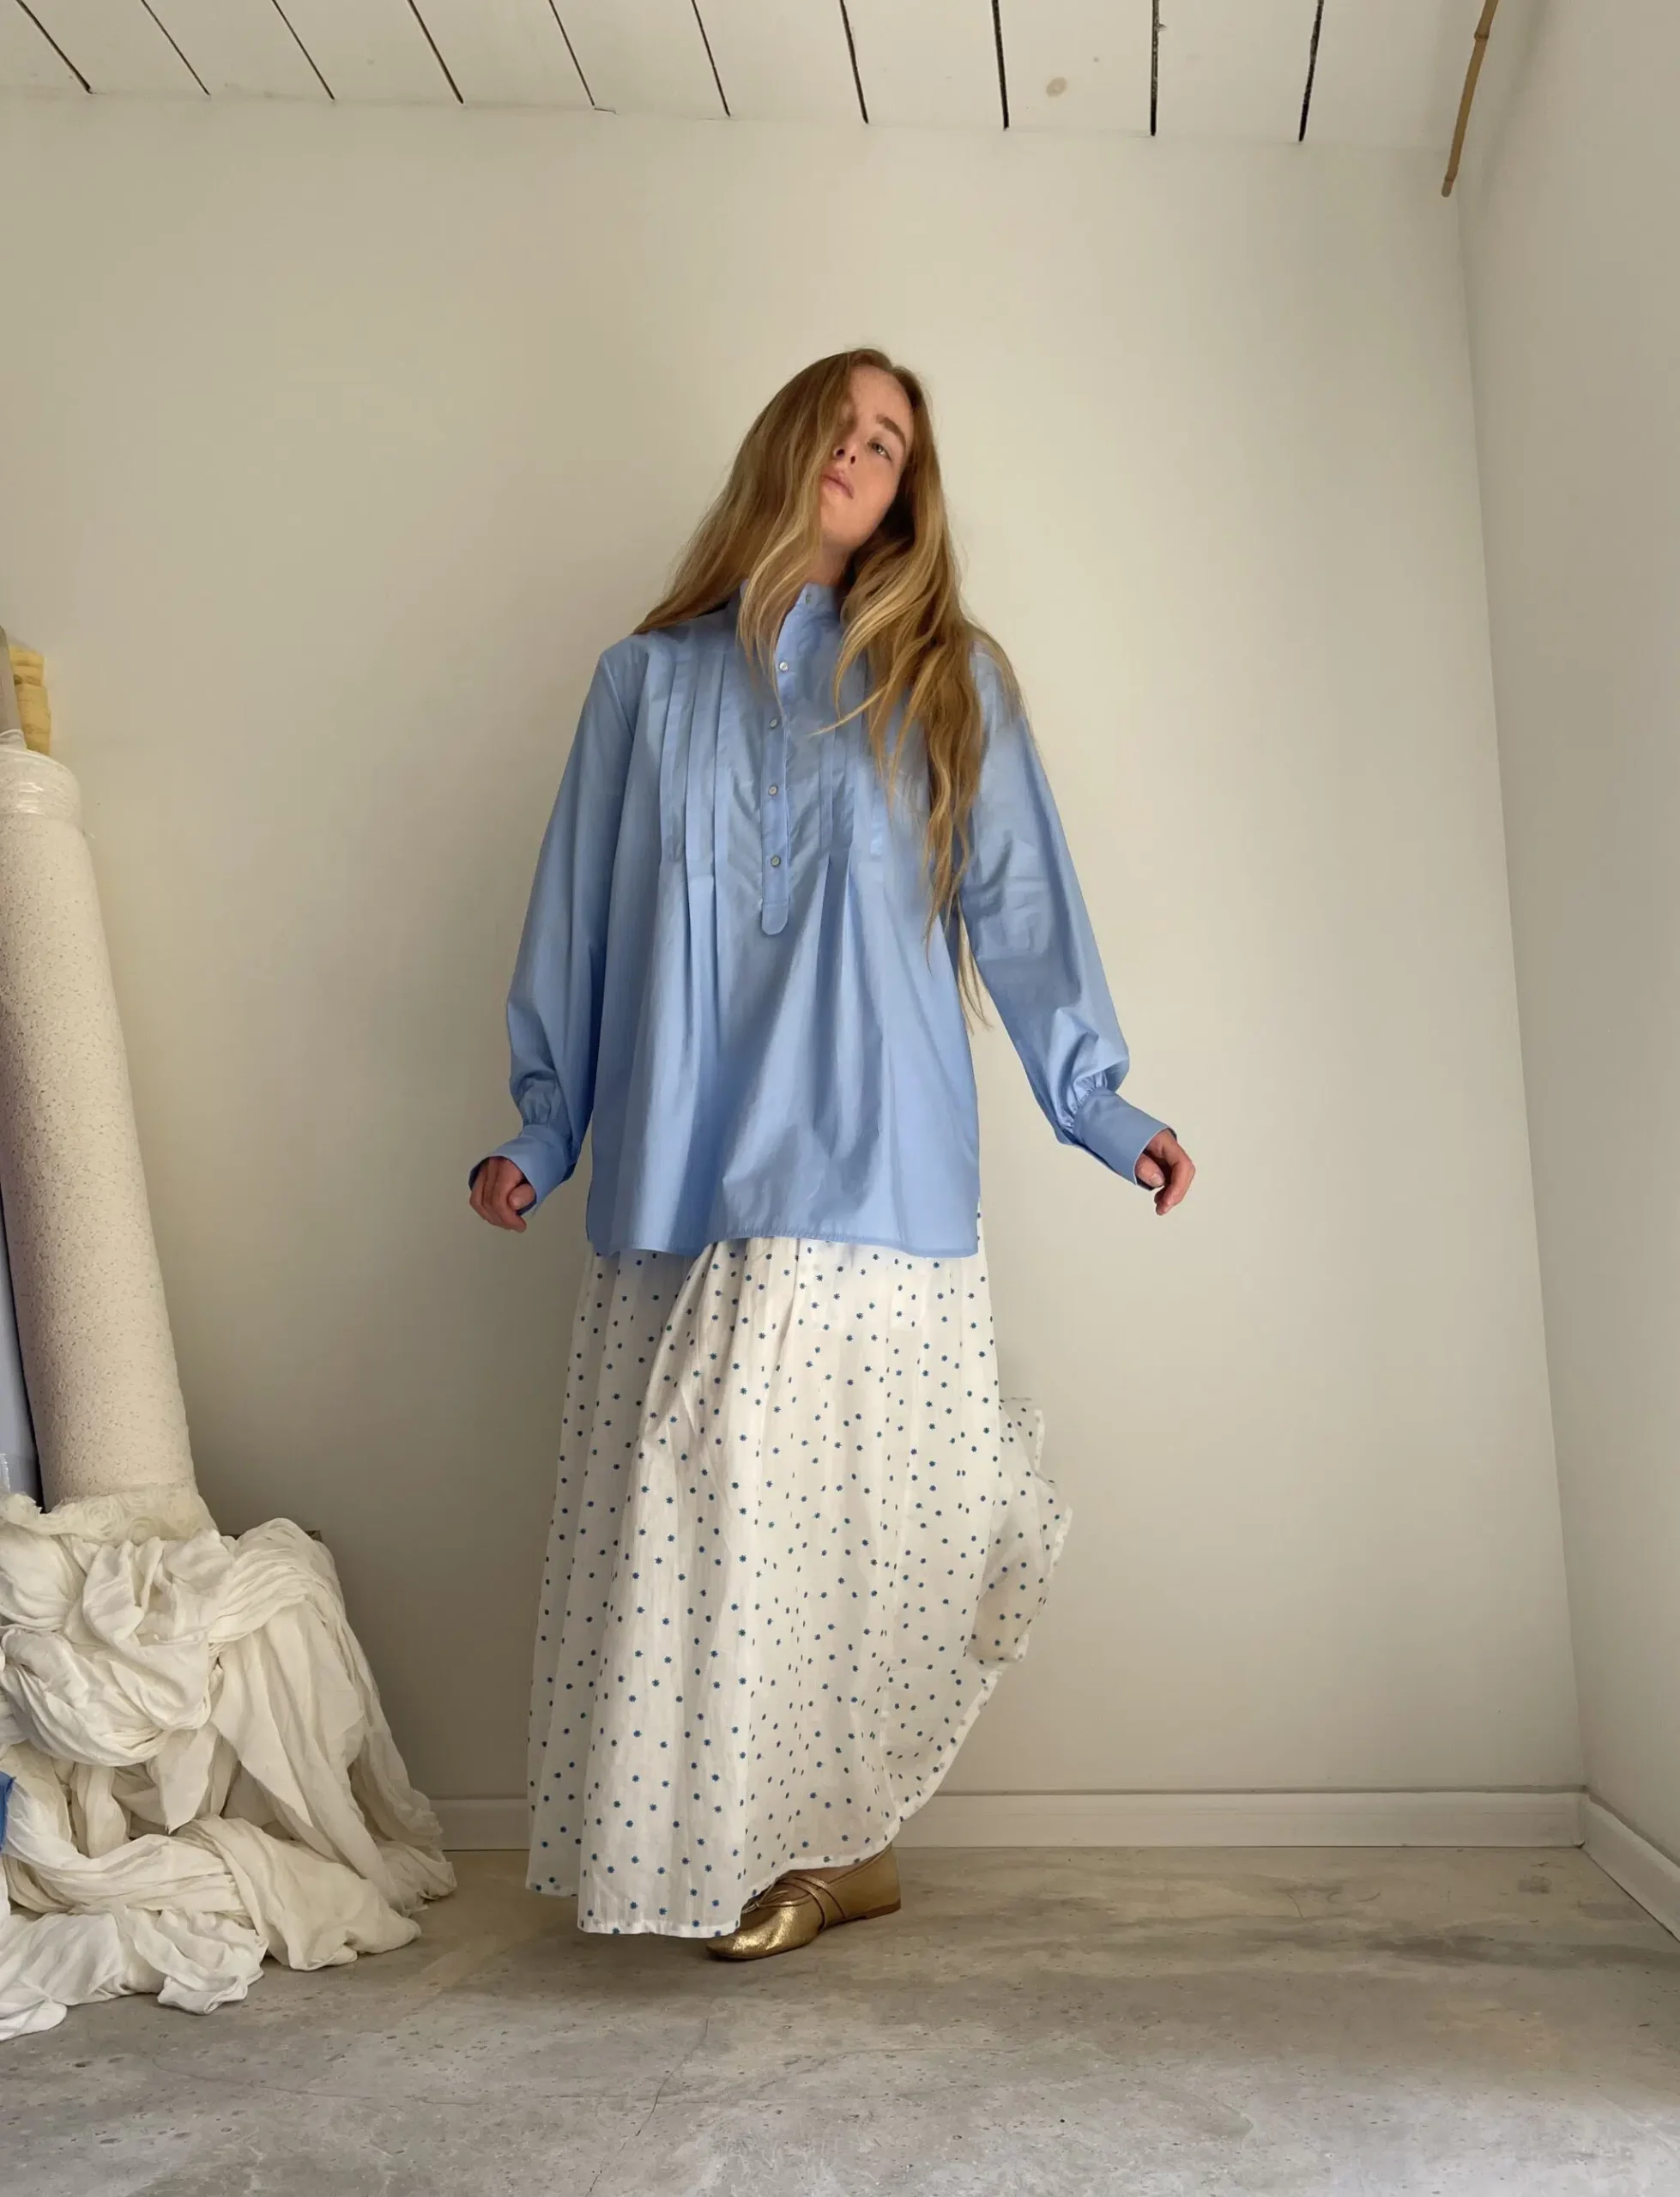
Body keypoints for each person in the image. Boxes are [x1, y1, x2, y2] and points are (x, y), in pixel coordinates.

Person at [469, 348, 1194, 1961]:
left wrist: (1101, 1106)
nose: (865, 455)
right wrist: (543, 1121)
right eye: (847, 426)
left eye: (892, 444)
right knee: (706, 1517)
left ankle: (832, 1845)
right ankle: (775, 1854)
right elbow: (575, 924)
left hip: (875, 1157)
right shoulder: (643, 685)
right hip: (682, 1162)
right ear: (790, 441)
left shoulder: (946, 679)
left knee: (829, 1523)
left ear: (906, 493)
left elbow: (1022, 907)